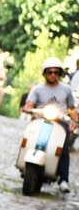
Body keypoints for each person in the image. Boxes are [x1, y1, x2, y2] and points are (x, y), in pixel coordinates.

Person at [22, 57, 78, 193]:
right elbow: (30, 103)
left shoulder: (66, 89)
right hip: (40, 120)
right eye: (50, 72)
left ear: (59, 74)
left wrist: (75, 119)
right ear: (44, 73)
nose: (53, 75)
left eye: (56, 72)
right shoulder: (37, 89)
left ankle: (63, 179)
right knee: (28, 140)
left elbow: (71, 107)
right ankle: (24, 163)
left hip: (60, 122)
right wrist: (28, 108)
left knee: (63, 148)